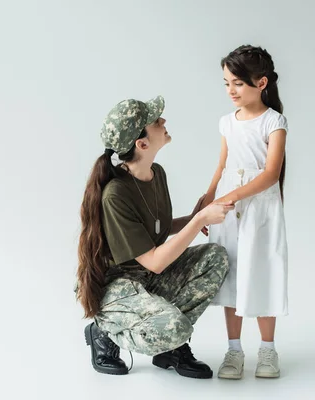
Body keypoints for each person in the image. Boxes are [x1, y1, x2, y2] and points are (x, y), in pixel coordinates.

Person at [76, 95, 233, 379]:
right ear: (142, 144)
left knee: (215, 258)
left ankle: (170, 350)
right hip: (118, 287)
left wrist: (191, 218)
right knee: (176, 328)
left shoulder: (155, 173)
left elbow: (153, 229)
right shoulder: (115, 194)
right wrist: (198, 221)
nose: (163, 122)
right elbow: (154, 261)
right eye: (155, 121)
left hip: (147, 279)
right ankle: (105, 330)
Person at [198, 45, 289, 379]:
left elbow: (269, 174)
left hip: (259, 208)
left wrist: (232, 196)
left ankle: (268, 350)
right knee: (231, 273)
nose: (230, 91)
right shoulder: (226, 122)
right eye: (226, 83)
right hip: (227, 207)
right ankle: (234, 350)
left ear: (261, 82)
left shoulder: (274, 122)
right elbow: (222, 165)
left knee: (262, 270)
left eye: (237, 83)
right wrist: (207, 201)